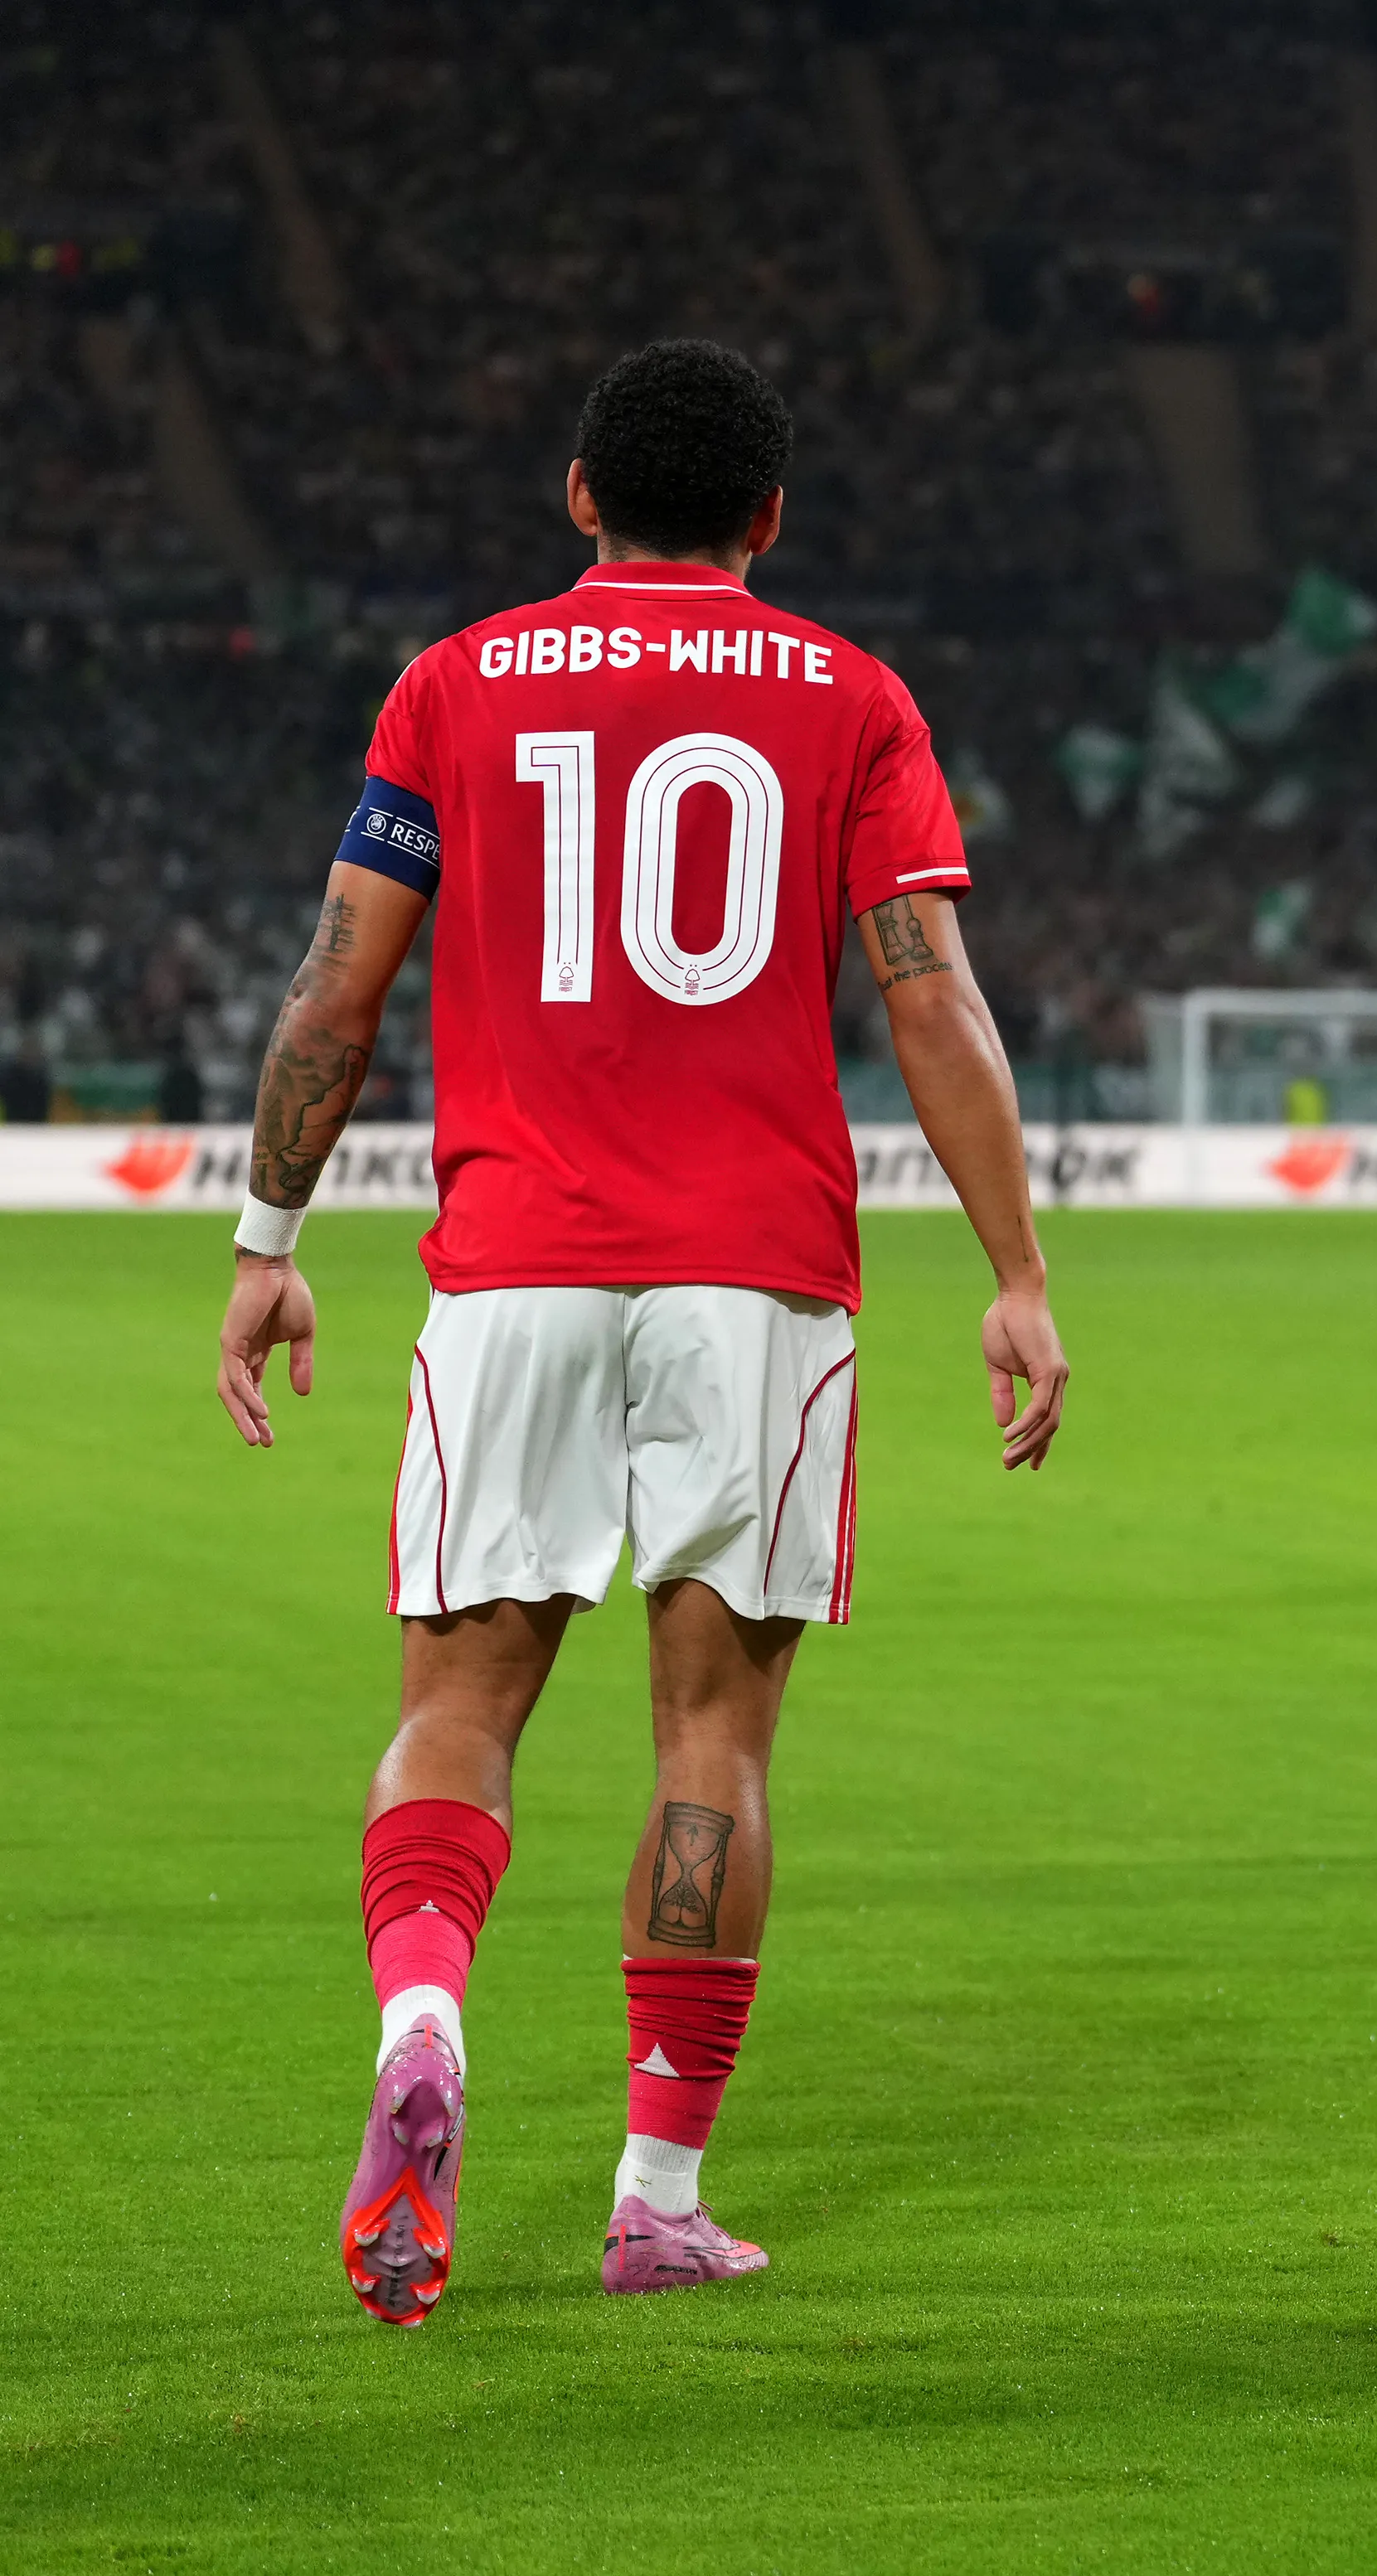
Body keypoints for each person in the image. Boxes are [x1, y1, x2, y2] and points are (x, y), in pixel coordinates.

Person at [213, 341, 1069, 2323]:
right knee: (711, 1736)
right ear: (769, 516)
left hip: (514, 1264)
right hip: (750, 1278)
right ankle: (655, 2195)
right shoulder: (853, 697)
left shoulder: (451, 685)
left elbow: (336, 993)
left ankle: (423, 2024)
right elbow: (930, 997)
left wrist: (268, 1236)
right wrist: (1016, 1271)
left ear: (578, 493)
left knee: (457, 1707)